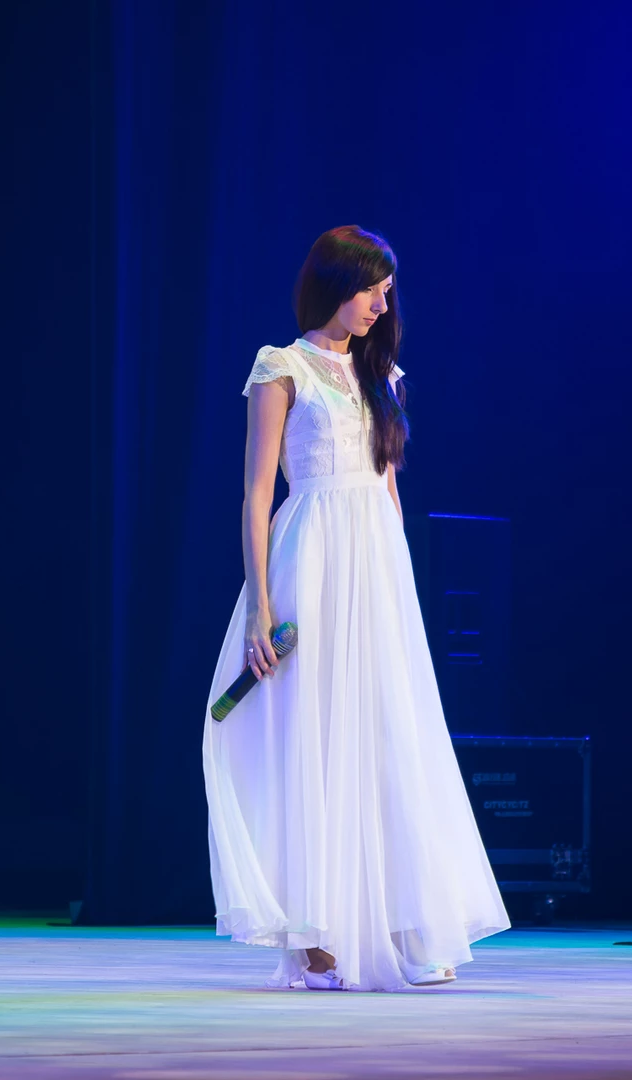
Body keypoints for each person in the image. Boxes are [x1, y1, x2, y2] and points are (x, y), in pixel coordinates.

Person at [201, 225, 510, 991]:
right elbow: (256, 493)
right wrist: (259, 606)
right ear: (335, 284)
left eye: (386, 292)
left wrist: (397, 583)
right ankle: (315, 939)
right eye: (370, 289)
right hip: (310, 558)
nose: (380, 304)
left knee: (385, 732)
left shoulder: (382, 374)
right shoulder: (281, 367)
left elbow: (388, 488)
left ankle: (402, 925)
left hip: (374, 564)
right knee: (313, 735)